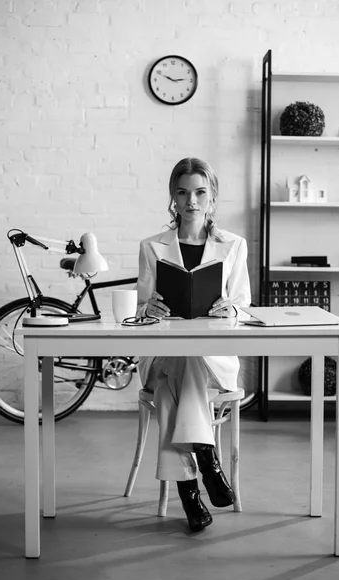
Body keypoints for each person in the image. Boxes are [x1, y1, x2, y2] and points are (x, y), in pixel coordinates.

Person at [136, 157, 251, 533]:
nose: (192, 201)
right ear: (173, 198)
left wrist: (229, 308)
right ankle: (207, 459)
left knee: (177, 386)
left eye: (200, 192)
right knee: (180, 363)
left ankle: (189, 492)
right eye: (183, 192)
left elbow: (244, 307)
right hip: (161, 357)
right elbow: (137, 311)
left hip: (212, 361)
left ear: (212, 197)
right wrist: (147, 306)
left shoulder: (233, 246)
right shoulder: (152, 246)